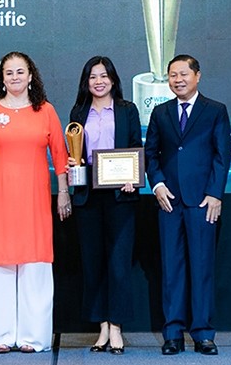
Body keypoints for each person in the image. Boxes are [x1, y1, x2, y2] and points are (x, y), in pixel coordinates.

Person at [0, 51, 71, 353]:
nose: (14, 77)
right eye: (8, 72)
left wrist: (63, 191)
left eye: (20, 72)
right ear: (2, 78)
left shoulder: (46, 111)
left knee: (34, 263)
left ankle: (33, 336)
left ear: (30, 76)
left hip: (35, 199)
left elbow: (60, 156)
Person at [144, 54, 231, 356]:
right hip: (169, 202)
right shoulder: (160, 112)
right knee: (172, 269)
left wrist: (215, 194)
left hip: (203, 202)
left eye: (183, 74)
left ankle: (204, 333)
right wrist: (156, 184)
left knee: (202, 267)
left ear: (197, 76)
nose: (177, 80)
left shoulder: (215, 111)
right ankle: (173, 334)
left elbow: (222, 156)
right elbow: (151, 154)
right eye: (172, 75)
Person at [67, 56, 142, 355]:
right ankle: (100, 327)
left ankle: (117, 326)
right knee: (93, 263)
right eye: (92, 77)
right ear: (86, 82)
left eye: (104, 76)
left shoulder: (127, 110)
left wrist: (132, 177)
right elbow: (74, 153)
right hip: (87, 197)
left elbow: (137, 145)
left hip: (120, 198)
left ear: (113, 79)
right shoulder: (78, 112)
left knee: (119, 264)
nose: (99, 81)